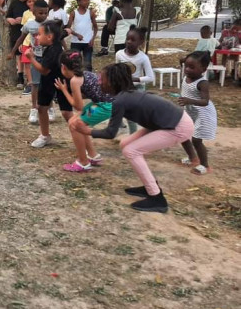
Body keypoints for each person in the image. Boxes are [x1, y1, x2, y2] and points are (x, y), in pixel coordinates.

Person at [69, 63, 194, 213]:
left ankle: (157, 199)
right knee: (125, 144)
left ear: (113, 82)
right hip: (166, 122)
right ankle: (150, 186)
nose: (99, 82)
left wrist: (87, 131)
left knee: (131, 151)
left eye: (102, 79)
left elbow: (110, 133)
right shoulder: (123, 95)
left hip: (177, 126)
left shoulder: (120, 100)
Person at [55, 52, 115, 172]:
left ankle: (83, 162)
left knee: (75, 125)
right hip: (103, 103)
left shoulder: (74, 81)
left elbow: (78, 106)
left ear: (63, 67)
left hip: (107, 106)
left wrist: (64, 90)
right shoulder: (84, 74)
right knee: (76, 121)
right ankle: (93, 156)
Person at [26, 20, 74, 148]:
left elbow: (44, 70)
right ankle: (45, 136)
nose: (37, 36)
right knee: (42, 108)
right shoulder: (51, 46)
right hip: (48, 82)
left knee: (66, 112)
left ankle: (80, 139)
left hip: (61, 82)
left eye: (39, 34)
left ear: (49, 37)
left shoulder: (54, 50)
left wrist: (31, 58)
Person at [8, 0, 49, 124]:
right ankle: (34, 109)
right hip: (36, 57)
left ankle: (50, 107)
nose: (43, 16)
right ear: (34, 12)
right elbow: (21, 38)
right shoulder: (30, 24)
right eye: (41, 13)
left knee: (48, 84)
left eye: (46, 13)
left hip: (49, 58)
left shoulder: (50, 24)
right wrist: (12, 52)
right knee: (35, 84)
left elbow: (58, 39)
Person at [178, 51, 217, 175]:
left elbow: (205, 101)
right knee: (182, 133)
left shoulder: (202, 83)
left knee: (196, 140)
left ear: (203, 69)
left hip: (203, 113)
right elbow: (184, 62)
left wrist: (189, 100)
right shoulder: (187, 76)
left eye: (192, 67)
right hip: (191, 111)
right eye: (186, 66)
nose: (188, 69)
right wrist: (184, 60)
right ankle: (192, 158)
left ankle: (205, 165)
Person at [116, 26, 154, 133]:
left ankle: (133, 136)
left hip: (137, 88)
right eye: (127, 39)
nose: (129, 42)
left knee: (131, 114)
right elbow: (116, 69)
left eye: (133, 40)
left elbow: (150, 77)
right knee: (116, 106)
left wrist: (134, 79)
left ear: (141, 42)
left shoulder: (143, 58)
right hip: (123, 87)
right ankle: (119, 124)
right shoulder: (119, 54)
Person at [6, 0, 30, 88]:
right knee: (19, 56)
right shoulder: (14, 3)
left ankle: (29, 79)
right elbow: (8, 16)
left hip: (28, 35)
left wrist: (23, 21)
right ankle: (20, 78)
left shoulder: (30, 3)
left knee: (28, 56)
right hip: (16, 32)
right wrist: (10, 20)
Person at [67, 0, 98, 72]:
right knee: (75, 63)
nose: (87, 2)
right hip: (76, 42)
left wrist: (92, 39)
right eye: (85, 0)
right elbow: (68, 28)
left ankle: (88, 80)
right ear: (79, 2)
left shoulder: (90, 13)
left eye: (88, 0)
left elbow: (95, 27)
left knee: (88, 64)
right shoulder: (73, 13)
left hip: (88, 42)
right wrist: (76, 34)